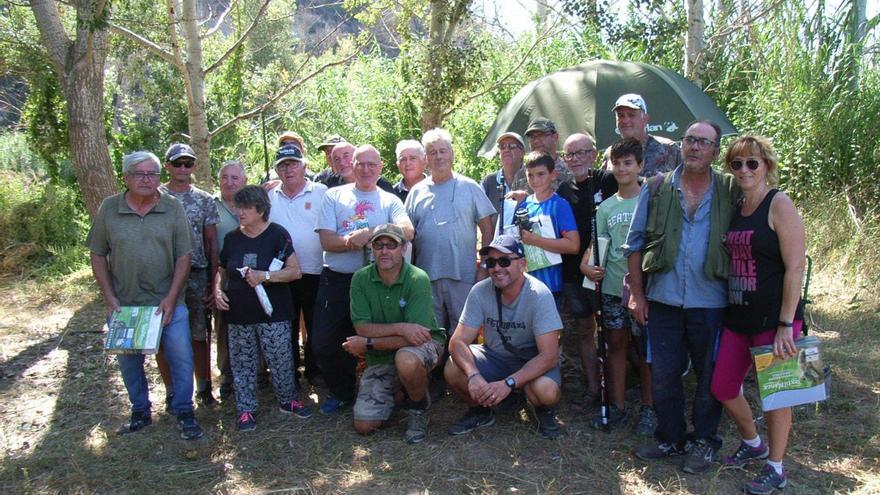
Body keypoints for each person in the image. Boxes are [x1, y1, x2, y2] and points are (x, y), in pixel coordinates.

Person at [625, 120, 740, 473]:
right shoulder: (657, 187)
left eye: (703, 142)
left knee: (709, 375)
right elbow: (634, 245)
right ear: (682, 145)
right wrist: (637, 296)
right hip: (663, 300)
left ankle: (704, 441)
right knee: (663, 373)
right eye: (690, 140)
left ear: (715, 152)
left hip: (712, 302)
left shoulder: (730, 190)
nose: (694, 147)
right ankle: (670, 437)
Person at [710, 136, 805, 495]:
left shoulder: (778, 204)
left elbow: (795, 268)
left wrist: (786, 324)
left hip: (775, 319)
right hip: (738, 315)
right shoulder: (737, 206)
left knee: (777, 396)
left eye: (752, 163)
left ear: (766, 165)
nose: (745, 170)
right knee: (722, 386)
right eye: (737, 164)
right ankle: (753, 443)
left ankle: (777, 467)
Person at [87, 151, 204, 439]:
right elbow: (98, 254)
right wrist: (109, 298)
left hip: (167, 304)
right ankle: (140, 410)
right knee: (129, 361)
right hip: (124, 306)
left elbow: (184, 256)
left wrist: (171, 297)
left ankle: (184, 410)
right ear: (125, 177)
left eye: (152, 174)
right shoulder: (109, 209)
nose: (146, 179)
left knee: (182, 357)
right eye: (139, 174)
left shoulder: (172, 207)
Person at [313, 144, 415, 415]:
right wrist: (349, 241)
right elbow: (326, 240)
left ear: (381, 167)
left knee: (377, 338)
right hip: (337, 278)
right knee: (324, 343)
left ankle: (386, 390)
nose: (366, 169)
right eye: (361, 163)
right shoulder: (334, 196)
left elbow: (407, 230)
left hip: (375, 282)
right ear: (352, 166)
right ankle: (343, 391)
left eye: (372, 164)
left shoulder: (389, 200)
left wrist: (370, 234)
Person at [445, 235, 564, 439]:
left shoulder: (540, 295)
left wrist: (508, 383)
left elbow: (549, 356)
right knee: (453, 367)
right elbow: (457, 342)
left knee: (546, 391)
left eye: (504, 261)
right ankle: (480, 410)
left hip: (531, 362)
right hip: (495, 358)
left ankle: (537, 407)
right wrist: (474, 376)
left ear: (522, 264)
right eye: (491, 262)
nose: (496, 268)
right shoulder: (480, 291)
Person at [215, 185, 313, 431]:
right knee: (243, 363)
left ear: (261, 210)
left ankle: (288, 400)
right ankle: (246, 409)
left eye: (246, 207)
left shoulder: (277, 235)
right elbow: (221, 270)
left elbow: (294, 271)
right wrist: (217, 290)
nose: (241, 212)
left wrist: (265, 276)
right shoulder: (232, 238)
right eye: (239, 207)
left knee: (281, 360)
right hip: (238, 313)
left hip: (274, 313)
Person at [343, 224, 446, 444]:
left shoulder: (417, 278)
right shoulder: (360, 279)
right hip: (382, 357)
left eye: (391, 245)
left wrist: (368, 344)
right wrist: (401, 327)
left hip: (425, 346)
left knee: (406, 359)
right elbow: (362, 327)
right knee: (364, 425)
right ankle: (401, 392)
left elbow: (417, 337)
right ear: (371, 248)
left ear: (404, 248)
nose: (384, 251)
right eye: (378, 245)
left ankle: (418, 408)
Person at [581, 137, 653, 432]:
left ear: (640, 165)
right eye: (617, 163)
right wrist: (587, 267)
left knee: (646, 349)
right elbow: (595, 249)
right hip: (611, 289)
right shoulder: (606, 208)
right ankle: (618, 406)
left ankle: (649, 409)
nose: (622, 169)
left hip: (644, 291)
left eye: (628, 163)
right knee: (616, 347)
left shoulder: (652, 199)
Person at [405, 128, 495, 339]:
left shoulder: (470, 186)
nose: (439, 156)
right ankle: (433, 372)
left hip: (463, 274)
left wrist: (484, 266)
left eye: (443, 151)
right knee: (431, 333)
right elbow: (407, 237)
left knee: (463, 334)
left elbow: (487, 228)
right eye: (432, 152)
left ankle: (459, 372)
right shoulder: (417, 192)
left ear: (452, 153)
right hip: (426, 277)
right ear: (426, 158)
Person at [554, 133, 618, 409]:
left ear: (593, 154)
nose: (577, 158)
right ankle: (593, 388)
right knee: (583, 330)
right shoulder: (563, 191)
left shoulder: (609, 180)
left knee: (615, 333)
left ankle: (616, 390)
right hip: (573, 273)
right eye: (571, 154)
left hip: (608, 270)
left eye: (582, 152)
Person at [158, 143, 220, 407]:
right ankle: (171, 389)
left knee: (199, 334)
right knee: (162, 334)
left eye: (188, 163)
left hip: (197, 275)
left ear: (194, 166)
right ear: (167, 165)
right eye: (177, 163)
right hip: (162, 276)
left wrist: (213, 282)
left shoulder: (205, 200)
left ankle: (203, 387)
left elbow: (211, 243)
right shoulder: (155, 196)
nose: (183, 168)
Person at [268, 145, 328, 387]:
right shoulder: (269, 197)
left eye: (293, 163)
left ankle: (315, 372)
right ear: (276, 170)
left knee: (316, 326)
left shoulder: (322, 192)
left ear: (304, 166)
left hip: (316, 271)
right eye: (283, 165)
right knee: (286, 328)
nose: (288, 169)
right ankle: (289, 375)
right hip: (282, 275)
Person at [516, 151, 579, 305]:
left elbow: (573, 245)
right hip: (526, 283)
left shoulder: (560, 205)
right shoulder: (524, 205)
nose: (535, 180)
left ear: (553, 175)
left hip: (552, 285)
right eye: (530, 175)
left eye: (541, 174)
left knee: (548, 328)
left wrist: (536, 240)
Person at [213, 160, 248, 401]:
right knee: (224, 326)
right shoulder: (210, 205)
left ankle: (258, 373)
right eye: (225, 177)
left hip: (254, 276)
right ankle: (227, 376)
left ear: (244, 181)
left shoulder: (254, 203)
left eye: (235, 178)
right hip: (222, 273)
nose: (229, 182)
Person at [601, 94, 681, 177]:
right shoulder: (610, 153)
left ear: (645, 119)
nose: (625, 120)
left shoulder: (668, 149)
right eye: (621, 115)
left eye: (631, 115)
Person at [480, 132, 528, 229]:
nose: (506, 150)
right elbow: (481, 217)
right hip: (497, 242)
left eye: (512, 146)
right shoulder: (489, 182)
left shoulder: (533, 177)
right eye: (502, 147)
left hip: (529, 240)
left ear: (522, 152)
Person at [321, 141, 396, 194]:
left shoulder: (379, 183)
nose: (342, 162)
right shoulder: (330, 185)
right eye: (337, 159)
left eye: (346, 156)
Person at [523, 117, 573, 187]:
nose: (536, 141)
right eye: (532, 137)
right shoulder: (523, 172)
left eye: (541, 135)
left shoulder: (570, 171)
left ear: (555, 137)